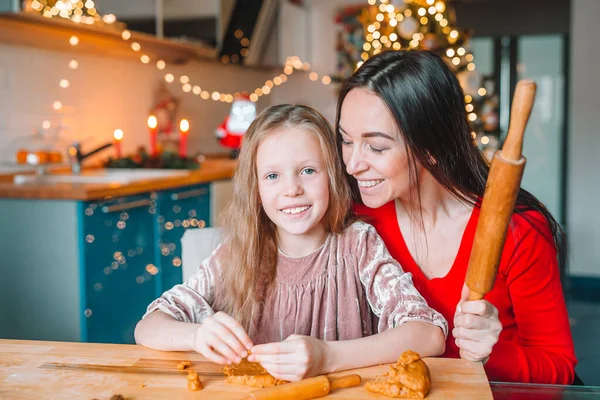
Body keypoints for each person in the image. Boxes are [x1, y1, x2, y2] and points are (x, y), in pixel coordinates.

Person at [135, 104, 447, 382]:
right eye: (272, 176)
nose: (292, 189)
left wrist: (327, 356)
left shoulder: (358, 247)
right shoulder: (239, 252)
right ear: (254, 187)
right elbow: (147, 327)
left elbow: (429, 335)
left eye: (308, 171)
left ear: (333, 176)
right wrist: (197, 335)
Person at [335, 49, 577, 384]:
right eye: (346, 141)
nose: (352, 165)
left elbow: (558, 369)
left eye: (376, 147)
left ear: (431, 148)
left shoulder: (520, 229)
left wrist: (490, 353)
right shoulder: (355, 223)